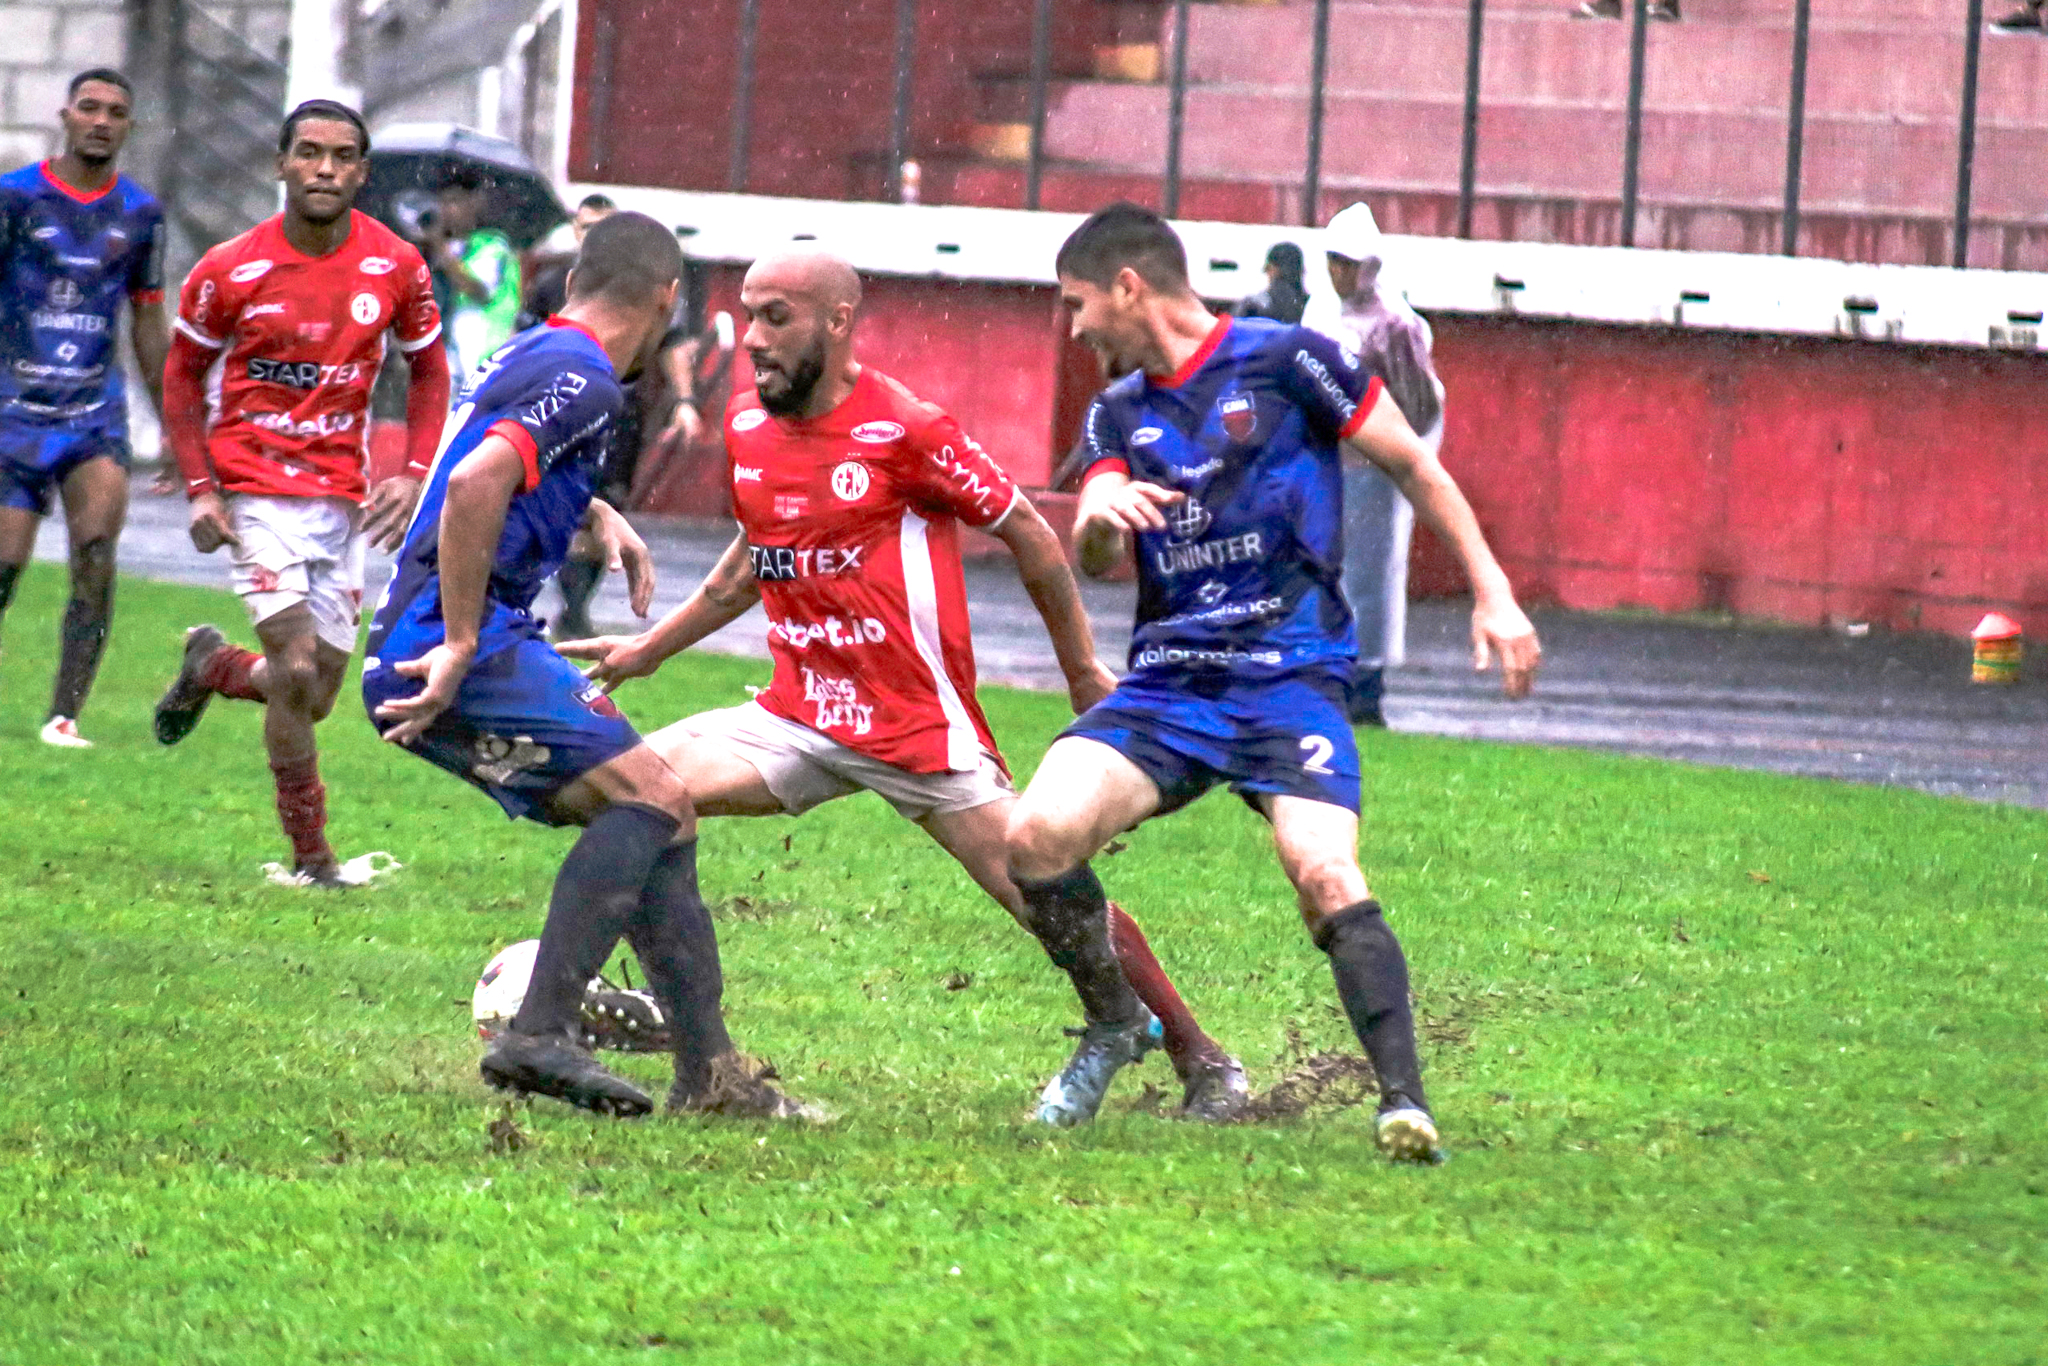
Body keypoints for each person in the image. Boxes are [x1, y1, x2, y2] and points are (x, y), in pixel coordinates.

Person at [560, 246, 1250, 1123]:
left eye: (778, 318)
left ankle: (1195, 1055)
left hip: (916, 725)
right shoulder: (748, 428)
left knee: (1041, 886)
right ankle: (695, 1055)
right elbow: (750, 563)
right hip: (797, 711)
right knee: (632, 798)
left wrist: (1082, 670)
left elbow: (1033, 535)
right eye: (749, 315)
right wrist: (651, 651)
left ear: (837, 322)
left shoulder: (908, 428)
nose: (756, 340)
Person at [1003, 203, 1542, 1160]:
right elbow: (1092, 539)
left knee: (1327, 874)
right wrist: (1099, 519)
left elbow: (1415, 464)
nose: (1075, 325)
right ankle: (1117, 1024)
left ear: (1130, 287)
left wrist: (1494, 591)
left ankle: (1403, 1106)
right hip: (1171, 686)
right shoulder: (1117, 410)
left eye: (1078, 303)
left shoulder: (1289, 360)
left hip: (1289, 679)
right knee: (1034, 837)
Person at [363, 211, 811, 1121]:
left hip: (443, 643)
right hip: (463, 645)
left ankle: (710, 1078)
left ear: (572, 284)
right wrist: (455, 642)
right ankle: (541, 1031)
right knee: (651, 800)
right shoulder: (587, 378)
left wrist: (592, 512)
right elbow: (477, 482)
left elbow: (485, 461)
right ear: (667, 300)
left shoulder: (539, 351)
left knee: (659, 816)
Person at [151, 100, 450, 886]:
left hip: (342, 497)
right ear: (280, 163)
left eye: (341, 156)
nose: (324, 168)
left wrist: (412, 472)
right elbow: (181, 376)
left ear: (361, 171)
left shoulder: (396, 266)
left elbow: (430, 371)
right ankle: (313, 859)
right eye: (309, 153)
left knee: (312, 694)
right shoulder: (229, 268)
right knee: (295, 662)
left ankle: (213, 666)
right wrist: (200, 490)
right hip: (253, 490)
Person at [0, 68, 167, 748]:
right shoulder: (16, 199)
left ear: (129, 126)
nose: (101, 121)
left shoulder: (141, 214)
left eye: (116, 112)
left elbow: (148, 322)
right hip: (13, 411)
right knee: (4, 566)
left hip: (93, 416)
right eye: (90, 108)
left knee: (95, 552)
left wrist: (176, 425)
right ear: (65, 115)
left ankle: (64, 716)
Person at [1303, 202, 1445, 727]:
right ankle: (1325, 673)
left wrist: (1380, 436)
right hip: (1323, 463)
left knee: (1368, 577)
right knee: (1322, 569)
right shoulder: (1320, 309)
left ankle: (1366, 683)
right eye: (1334, 260)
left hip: (1367, 465)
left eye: (1349, 262)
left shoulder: (1394, 325)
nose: (1340, 273)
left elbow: (1419, 401)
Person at [426, 164, 521, 376]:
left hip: (483, 356)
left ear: (475, 203)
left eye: (455, 201)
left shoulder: (493, 245)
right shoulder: (436, 249)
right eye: (443, 202)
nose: (447, 209)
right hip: (447, 358)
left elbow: (477, 290)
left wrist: (439, 246)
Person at [1231, 241, 1308, 325]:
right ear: (1301, 272)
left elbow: (1232, 332)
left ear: (1273, 269)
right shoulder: (1313, 307)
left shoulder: (1253, 306)